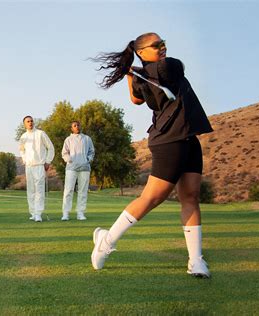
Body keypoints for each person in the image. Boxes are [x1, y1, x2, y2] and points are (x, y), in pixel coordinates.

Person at [91, 32, 213, 278]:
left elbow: (136, 99)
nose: (163, 47)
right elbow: (155, 81)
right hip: (169, 141)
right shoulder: (161, 69)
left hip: (189, 138)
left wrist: (131, 72)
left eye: (164, 43)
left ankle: (196, 261)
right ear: (142, 52)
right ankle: (106, 241)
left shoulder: (150, 73)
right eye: (156, 45)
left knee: (191, 196)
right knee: (152, 198)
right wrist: (132, 72)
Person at [19, 116, 55, 222]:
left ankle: (38, 213)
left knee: (39, 189)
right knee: (30, 190)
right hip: (29, 166)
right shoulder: (23, 137)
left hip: (39, 165)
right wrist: (25, 160)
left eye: (31, 121)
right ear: (24, 124)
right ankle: (33, 212)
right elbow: (22, 150)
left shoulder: (41, 134)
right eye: (28, 121)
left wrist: (48, 161)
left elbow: (51, 147)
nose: (30, 123)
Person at [61, 121, 95, 221]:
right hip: (71, 168)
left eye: (78, 125)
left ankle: (80, 213)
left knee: (83, 191)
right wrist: (69, 160)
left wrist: (88, 160)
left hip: (85, 168)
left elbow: (92, 151)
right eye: (74, 126)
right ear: (72, 128)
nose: (77, 127)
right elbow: (64, 153)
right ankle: (66, 213)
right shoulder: (68, 139)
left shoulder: (87, 139)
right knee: (68, 190)